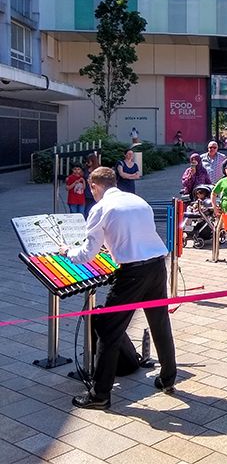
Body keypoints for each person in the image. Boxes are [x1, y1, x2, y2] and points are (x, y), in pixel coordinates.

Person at [59, 167, 177, 409]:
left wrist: (66, 252)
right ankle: (168, 378)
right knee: (160, 322)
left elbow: (86, 254)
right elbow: (133, 234)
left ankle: (99, 394)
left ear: (94, 186)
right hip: (157, 265)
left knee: (109, 330)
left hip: (133, 272)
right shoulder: (137, 199)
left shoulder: (99, 208)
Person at [83, 152, 100, 219]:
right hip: (87, 191)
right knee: (87, 209)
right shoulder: (86, 169)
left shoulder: (98, 169)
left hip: (95, 191)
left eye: (88, 161)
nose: (87, 162)